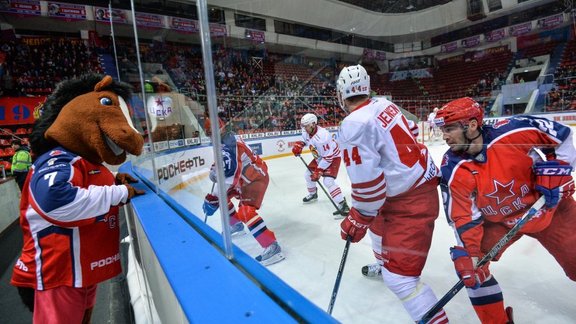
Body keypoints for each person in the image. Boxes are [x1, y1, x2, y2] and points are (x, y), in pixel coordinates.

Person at [10, 74, 145, 322]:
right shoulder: (57, 158)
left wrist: (114, 178)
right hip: (59, 273)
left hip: (80, 271)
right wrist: (119, 193)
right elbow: (56, 200)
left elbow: (87, 177)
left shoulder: (78, 159)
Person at [434, 97, 576, 323]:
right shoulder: (453, 167)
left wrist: (558, 171)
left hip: (550, 207)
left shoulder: (515, 131)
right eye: (443, 130)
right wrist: (471, 253)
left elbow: (562, 136)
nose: (445, 136)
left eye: (449, 129)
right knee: (470, 268)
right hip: (500, 222)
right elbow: (463, 216)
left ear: (471, 125)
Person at [335, 64, 448, 323]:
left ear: (342, 94)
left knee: (400, 279)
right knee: (376, 229)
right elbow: (412, 129)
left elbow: (369, 189)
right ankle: (382, 261)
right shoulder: (386, 105)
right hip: (409, 186)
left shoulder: (353, 124)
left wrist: (357, 217)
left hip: (410, 200)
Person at [203, 131, 285, 266]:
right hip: (244, 178)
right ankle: (235, 224)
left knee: (246, 212)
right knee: (223, 199)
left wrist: (213, 198)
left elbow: (229, 178)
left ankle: (272, 246)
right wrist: (215, 169)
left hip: (255, 179)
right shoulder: (226, 140)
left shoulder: (231, 146)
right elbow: (224, 161)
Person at [291, 113, 350, 217]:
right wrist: (300, 145)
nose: (304, 128)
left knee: (328, 181)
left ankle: (343, 204)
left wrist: (319, 171)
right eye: (303, 126)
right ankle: (313, 194)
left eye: (306, 125)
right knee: (308, 175)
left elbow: (328, 158)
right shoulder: (306, 131)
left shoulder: (323, 136)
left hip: (332, 158)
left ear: (313, 124)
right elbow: (306, 140)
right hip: (319, 157)